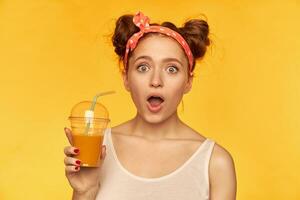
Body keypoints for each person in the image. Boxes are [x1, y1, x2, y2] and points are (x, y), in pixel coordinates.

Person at [63, 11, 237, 200]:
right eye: (143, 67)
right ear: (126, 78)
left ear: (188, 81)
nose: (155, 81)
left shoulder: (215, 163)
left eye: (171, 69)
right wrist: (85, 191)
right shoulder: (96, 149)